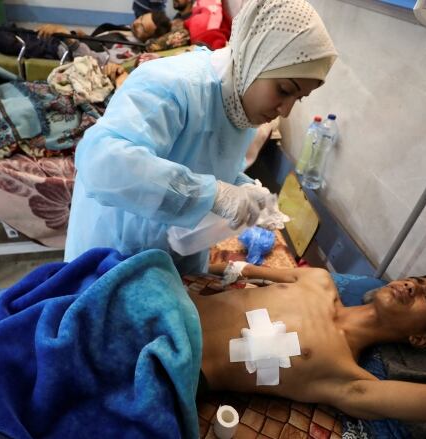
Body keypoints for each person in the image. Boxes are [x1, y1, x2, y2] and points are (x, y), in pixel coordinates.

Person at [65, 0, 338, 274]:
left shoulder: (240, 108)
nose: (286, 110)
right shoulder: (172, 86)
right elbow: (104, 164)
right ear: (257, 57)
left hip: (168, 255)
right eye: (283, 89)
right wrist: (215, 195)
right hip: (114, 252)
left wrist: (243, 189)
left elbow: (200, 164)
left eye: (298, 98)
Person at [193, 263, 426, 423]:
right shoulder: (316, 279)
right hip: (170, 303)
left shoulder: (348, 380)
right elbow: (234, 269)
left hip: (183, 367)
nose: (409, 287)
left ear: (419, 338)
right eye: (415, 281)